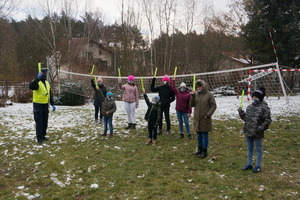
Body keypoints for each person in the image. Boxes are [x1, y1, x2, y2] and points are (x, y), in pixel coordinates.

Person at [238, 88, 271, 173]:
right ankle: (249, 164)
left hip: (257, 133)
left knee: (258, 149)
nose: (254, 98)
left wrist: (260, 129)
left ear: (260, 98)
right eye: (254, 96)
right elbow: (247, 119)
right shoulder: (250, 106)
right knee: (249, 148)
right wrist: (241, 113)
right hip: (248, 131)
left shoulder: (264, 107)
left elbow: (267, 120)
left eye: (256, 97)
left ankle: (258, 166)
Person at [190, 79, 217, 159]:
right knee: (199, 135)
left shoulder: (209, 95)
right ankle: (199, 149)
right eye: (197, 87)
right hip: (197, 118)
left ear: (203, 86)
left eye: (200, 86)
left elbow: (213, 106)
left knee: (204, 135)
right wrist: (192, 96)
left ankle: (204, 151)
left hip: (205, 118)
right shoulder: (196, 95)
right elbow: (192, 104)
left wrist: (208, 114)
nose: (198, 88)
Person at [29, 69, 56, 145]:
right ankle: (39, 138)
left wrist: (52, 103)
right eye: (43, 73)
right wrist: (37, 78)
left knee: (45, 122)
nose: (45, 74)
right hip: (38, 105)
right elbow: (31, 86)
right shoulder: (36, 81)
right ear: (41, 73)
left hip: (45, 105)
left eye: (45, 73)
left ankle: (43, 135)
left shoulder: (47, 83)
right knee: (39, 122)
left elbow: (49, 93)